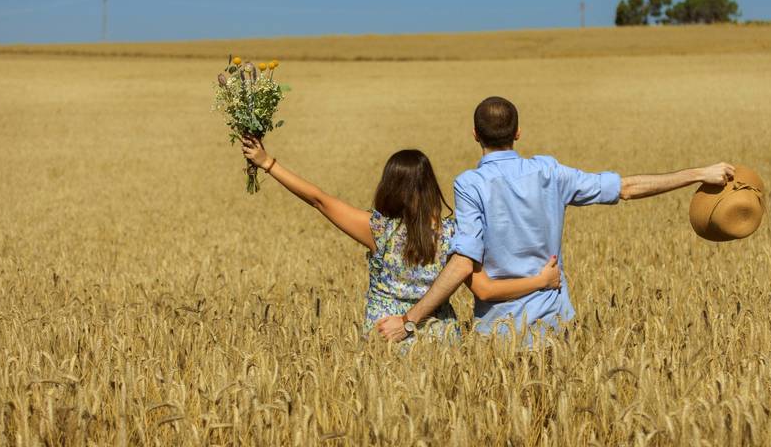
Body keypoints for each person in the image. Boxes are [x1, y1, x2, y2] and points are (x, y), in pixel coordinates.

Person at [377, 96, 735, 343]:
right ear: (518, 133)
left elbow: (462, 263)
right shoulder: (550, 173)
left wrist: (410, 321)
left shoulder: (470, 185)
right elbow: (626, 188)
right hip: (554, 326)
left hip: (498, 335)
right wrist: (698, 173)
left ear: (475, 135)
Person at [240, 138, 562, 339]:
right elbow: (486, 289)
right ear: (430, 185)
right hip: (441, 344)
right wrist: (541, 281)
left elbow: (319, 200)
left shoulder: (379, 230)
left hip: (385, 339)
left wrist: (268, 163)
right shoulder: (453, 236)